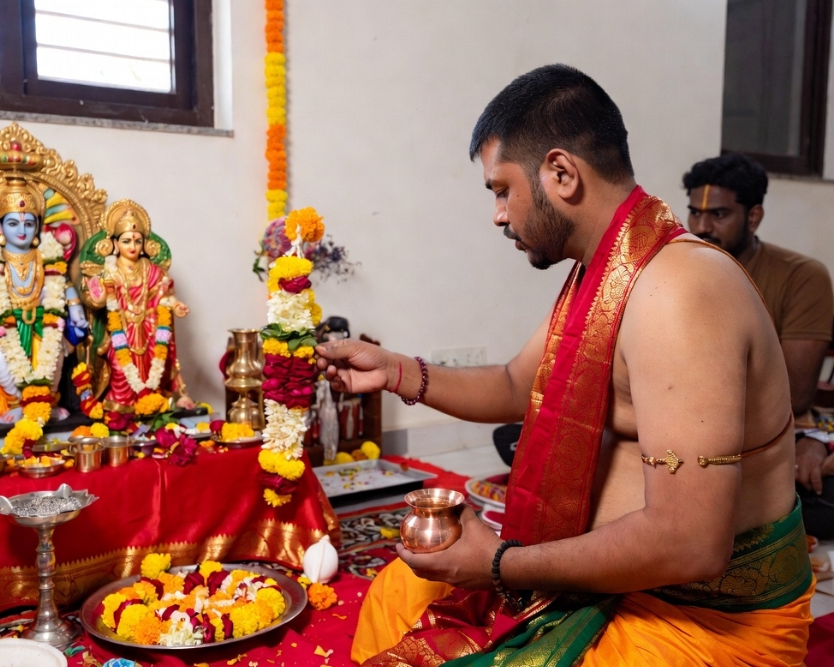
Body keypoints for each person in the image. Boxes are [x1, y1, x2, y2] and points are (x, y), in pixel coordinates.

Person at [317, 64, 813, 667]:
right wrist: (392, 370)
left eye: (502, 190)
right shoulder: (604, 272)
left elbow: (691, 544)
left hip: (699, 614)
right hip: (611, 583)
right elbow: (515, 385)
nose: (498, 215)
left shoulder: (678, 293)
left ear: (561, 173)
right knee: (402, 591)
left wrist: (499, 564)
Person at [683, 154, 834, 538]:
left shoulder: (802, 277)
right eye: (694, 214)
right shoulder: (675, 270)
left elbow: (794, 395)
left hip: (760, 438)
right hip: (679, 429)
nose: (701, 228)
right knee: (519, 435)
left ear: (753, 217)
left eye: (718, 215)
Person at [0, 175, 88, 422]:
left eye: (29, 224)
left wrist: (75, 305)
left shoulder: (47, 256)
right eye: (13, 223)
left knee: (54, 357)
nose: (22, 230)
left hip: (42, 321)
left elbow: (64, 282)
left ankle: (46, 404)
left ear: (37, 227)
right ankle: (15, 404)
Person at [81, 200, 194, 418]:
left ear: (144, 244)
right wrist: (100, 293)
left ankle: (150, 404)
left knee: (154, 366)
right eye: (126, 241)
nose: (132, 246)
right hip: (120, 331)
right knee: (121, 369)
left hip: (149, 329)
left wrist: (176, 305)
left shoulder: (151, 270)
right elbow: (94, 301)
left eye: (137, 241)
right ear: (114, 244)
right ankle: (122, 407)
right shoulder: (109, 271)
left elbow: (163, 296)